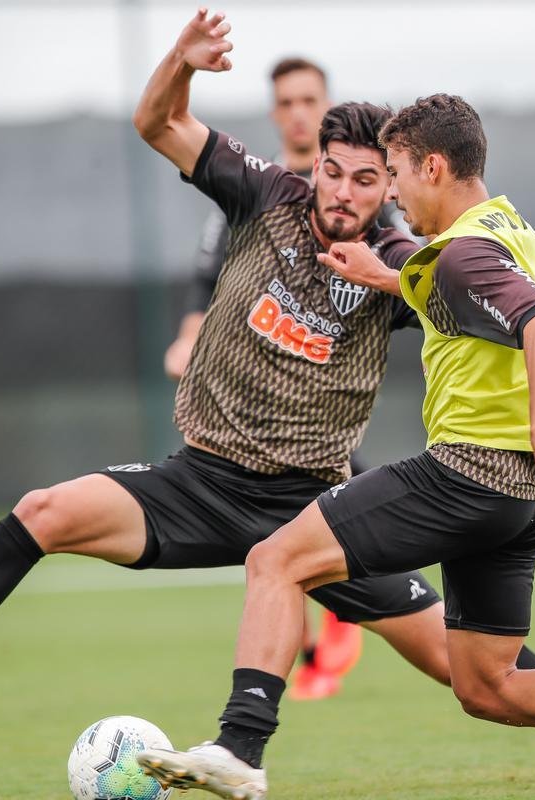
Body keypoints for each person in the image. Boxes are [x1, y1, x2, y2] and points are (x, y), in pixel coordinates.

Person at [0, 8, 535, 783]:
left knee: (464, 667)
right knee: (44, 511)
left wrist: (426, 310)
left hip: (312, 505)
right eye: (334, 173)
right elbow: (157, 123)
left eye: (366, 180)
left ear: (389, 186)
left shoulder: (406, 261)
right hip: (199, 483)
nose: (345, 193)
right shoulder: (264, 195)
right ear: (312, 168)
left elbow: (497, 313)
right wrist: (180, 61)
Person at [136, 92, 535, 800]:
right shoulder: (511, 233)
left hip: (472, 472)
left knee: (276, 559)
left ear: (433, 166)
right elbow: (483, 301)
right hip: (524, 498)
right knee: (486, 685)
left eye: (397, 173)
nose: (393, 195)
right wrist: (387, 276)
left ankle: (239, 748)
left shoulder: (461, 253)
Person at [163, 54, 365, 703]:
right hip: (256, 394)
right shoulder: (257, 186)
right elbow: (207, 271)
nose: (299, 112)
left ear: (327, 105)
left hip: (323, 399)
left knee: (328, 525)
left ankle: (343, 621)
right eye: (287, 102)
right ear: (275, 111)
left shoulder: (359, 194)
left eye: (310, 99)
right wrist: (189, 336)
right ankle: (315, 647)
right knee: (284, 538)